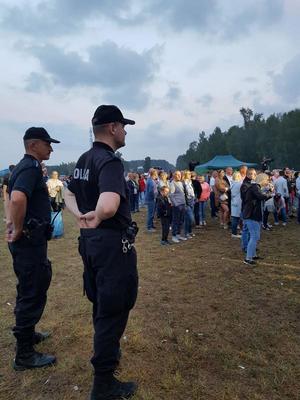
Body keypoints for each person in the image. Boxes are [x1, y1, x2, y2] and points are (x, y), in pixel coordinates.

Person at [64, 105, 138, 400]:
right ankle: (103, 383)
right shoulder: (109, 162)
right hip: (111, 247)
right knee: (114, 308)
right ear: (111, 128)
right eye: (123, 125)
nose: (125, 131)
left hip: (91, 243)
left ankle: (108, 359)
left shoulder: (84, 158)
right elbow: (108, 205)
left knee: (101, 304)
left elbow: (69, 193)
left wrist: (81, 215)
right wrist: (96, 214)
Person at [6, 127, 59, 371]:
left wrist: (11, 222)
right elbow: (16, 198)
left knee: (30, 287)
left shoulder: (25, 167)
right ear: (34, 144)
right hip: (28, 243)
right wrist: (17, 229)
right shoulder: (29, 167)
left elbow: (9, 194)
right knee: (32, 290)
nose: (50, 148)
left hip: (30, 243)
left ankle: (28, 333)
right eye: (47, 143)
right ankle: (25, 355)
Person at [240, 168, 272, 266]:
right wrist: (271, 193)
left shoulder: (255, 187)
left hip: (254, 215)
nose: (267, 183)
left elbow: (260, 197)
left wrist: (268, 193)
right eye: (266, 181)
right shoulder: (254, 187)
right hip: (251, 215)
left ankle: (252, 255)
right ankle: (248, 258)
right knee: (254, 236)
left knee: (255, 236)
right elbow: (261, 197)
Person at [169, 170, 187, 243]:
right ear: (174, 176)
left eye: (180, 174)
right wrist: (176, 204)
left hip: (182, 204)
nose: (179, 176)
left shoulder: (181, 182)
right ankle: (174, 236)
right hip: (177, 206)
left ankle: (178, 234)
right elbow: (171, 195)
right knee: (175, 221)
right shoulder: (172, 183)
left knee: (181, 220)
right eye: (177, 175)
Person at [230, 172, 242, 238]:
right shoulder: (239, 184)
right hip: (238, 202)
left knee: (234, 218)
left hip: (233, 202)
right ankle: (234, 233)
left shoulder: (232, 184)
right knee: (237, 218)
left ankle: (234, 232)